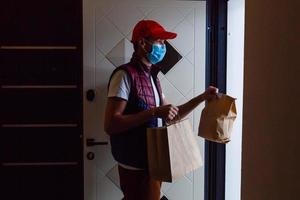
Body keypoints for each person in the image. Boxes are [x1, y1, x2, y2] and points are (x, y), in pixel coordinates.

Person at [104, 19, 218, 200]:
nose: (163, 46)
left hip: (153, 161)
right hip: (135, 165)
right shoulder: (124, 75)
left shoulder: (153, 78)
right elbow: (111, 124)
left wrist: (203, 97)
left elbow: (173, 115)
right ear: (142, 43)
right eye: (160, 41)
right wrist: (154, 112)